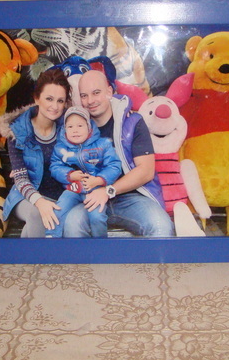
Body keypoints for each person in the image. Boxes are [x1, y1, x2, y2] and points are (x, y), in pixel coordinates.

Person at [62, 70, 175, 237]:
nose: (90, 101)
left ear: (109, 92)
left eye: (96, 93)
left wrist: (108, 191)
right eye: (84, 95)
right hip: (91, 198)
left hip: (131, 197)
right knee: (72, 223)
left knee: (161, 225)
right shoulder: (76, 126)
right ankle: (91, 256)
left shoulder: (132, 121)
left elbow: (146, 171)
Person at [0, 68, 71, 237]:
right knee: (36, 215)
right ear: (37, 98)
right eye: (49, 99)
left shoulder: (68, 128)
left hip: (60, 196)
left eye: (60, 101)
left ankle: (26, 252)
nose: (55, 106)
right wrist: (39, 201)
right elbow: (21, 178)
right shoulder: (18, 130)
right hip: (26, 196)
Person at [48, 106, 122, 238]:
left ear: (89, 127)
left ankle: (100, 245)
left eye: (80, 126)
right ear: (64, 129)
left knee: (97, 217)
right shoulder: (61, 148)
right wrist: (69, 175)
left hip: (96, 191)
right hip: (73, 189)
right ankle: (51, 241)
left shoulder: (103, 144)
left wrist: (99, 180)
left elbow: (114, 166)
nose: (75, 130)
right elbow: (55, 167)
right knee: (58, 211)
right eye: (70, 127)